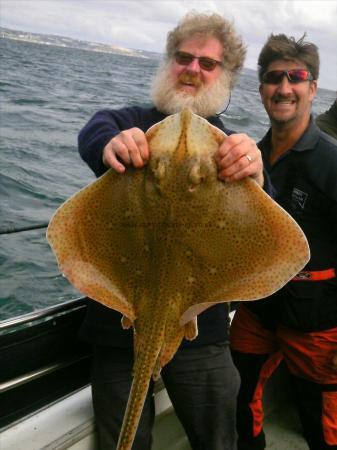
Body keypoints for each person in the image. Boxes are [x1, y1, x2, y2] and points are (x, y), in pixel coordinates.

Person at [78, 12, 267, 450]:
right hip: (118, 324)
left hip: (202, 330)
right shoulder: (134, 122)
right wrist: (110, 143)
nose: (193, 68)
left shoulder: (233, 148)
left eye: (207, 62)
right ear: (169, 62)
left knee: (218, 440)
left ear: (226, 76)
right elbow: (95, 128)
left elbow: (266, 207)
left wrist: (256, 173)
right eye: (184, 57)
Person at [230, 33, 337, 450]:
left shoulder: (331, 162)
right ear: (261, 91)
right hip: (259, 311)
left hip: (319, 321)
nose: (284, 87)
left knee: (321, 426)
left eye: (296, 77)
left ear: (312, 88)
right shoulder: (252, 156)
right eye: (275, 78)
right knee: (240, 401)